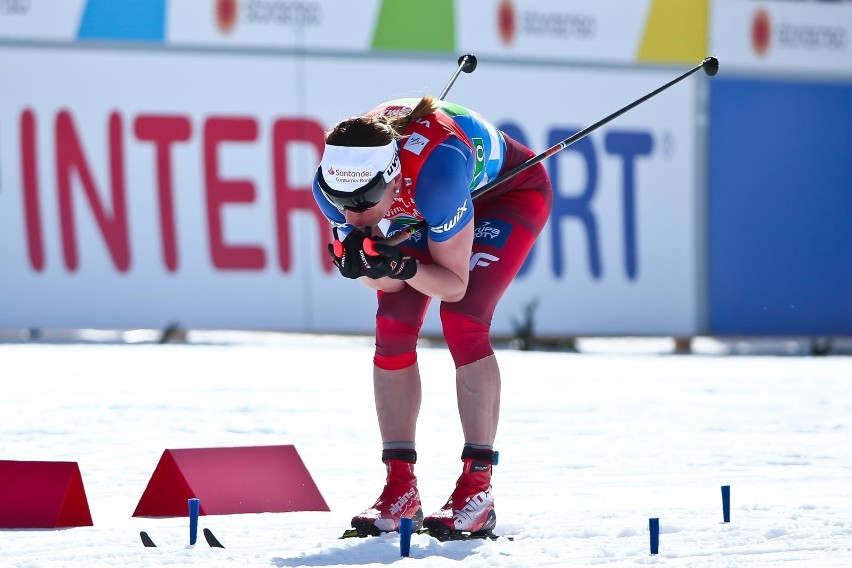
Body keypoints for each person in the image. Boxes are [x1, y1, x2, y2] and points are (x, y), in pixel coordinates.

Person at [312, 96, 552, 539]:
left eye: (363, 200)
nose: (352, 215)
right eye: (338, 200)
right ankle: (399, 488)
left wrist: (401, 265)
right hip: (422, 210)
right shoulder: (340, 185)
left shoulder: (435, 176)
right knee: (392, 326)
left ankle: (477, 490)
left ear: (390, 176)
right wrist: (373, 268)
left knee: (463, 321)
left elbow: (454, 284)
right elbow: (388, 288)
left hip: (507, 194)